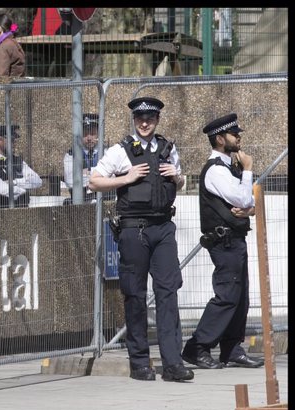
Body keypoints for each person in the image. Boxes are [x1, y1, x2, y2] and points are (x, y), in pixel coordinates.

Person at [88, 97, 193, 382]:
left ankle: (173, 363)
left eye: (150, 118)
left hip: (163, 228)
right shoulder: (120, 151)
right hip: (134, 229)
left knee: (167, 292)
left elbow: (180, 184)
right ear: (134, 120)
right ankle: (139, 363)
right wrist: (126, 178)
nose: (145, 123)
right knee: (135, 294)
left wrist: (178, 177)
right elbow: (94, 181)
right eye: (140, 118)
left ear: (158, 119)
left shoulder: (168, 150)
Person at [181, 113, 264, 369]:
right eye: (233, 134)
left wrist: (248, 207)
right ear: (220, 139)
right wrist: (248, 171)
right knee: (227, 295)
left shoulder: (229, 168)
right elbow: (242, 200)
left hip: (236, 239)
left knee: (240, 296)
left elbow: (248, 203)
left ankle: (231, 348)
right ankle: (197, 347)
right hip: (224, 242)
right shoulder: (216, 171)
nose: (238, 137)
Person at [0, 124, 42, 210]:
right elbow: (0, 189)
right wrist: (23, 190)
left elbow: (37, 181)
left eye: (14, 141)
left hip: (23, 214)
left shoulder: (18, 161)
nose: (14, 144)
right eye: (11, 140)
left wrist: (15, 182)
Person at [62, 113, 113, 204]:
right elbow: (70, 181)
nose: (89, 138)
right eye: (85, 134)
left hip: (105, 202)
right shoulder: (70, 154)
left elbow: (112, 176)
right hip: (81, 203)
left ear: (98, 134)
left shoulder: (107, 152)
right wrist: (99, 174)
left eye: (93, 133)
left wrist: (85, 172)